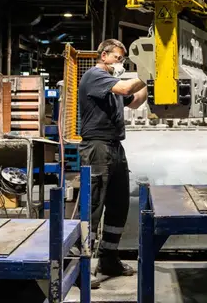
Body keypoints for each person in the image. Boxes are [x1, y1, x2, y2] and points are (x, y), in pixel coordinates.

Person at [78, 38, 147, 288]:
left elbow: (135, 100)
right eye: (118, 57)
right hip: (97, 148)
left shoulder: (111, 85)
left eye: (123, 59)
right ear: (104, 55)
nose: (120, 62)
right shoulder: (95, 76)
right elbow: (127, 89)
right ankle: (79, 266)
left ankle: (108, 259)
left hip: (115, 147)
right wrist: (147, 73)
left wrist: (150, 79)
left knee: (119, 205)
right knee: (93, 207)